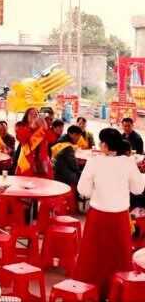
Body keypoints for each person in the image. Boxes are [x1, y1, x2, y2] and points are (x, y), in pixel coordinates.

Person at [74, 128, 145, 299]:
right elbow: (138, 189)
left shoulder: (94, 162)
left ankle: (90, 289)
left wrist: (96, 191)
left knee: (94, 256)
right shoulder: (127, 162)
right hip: (120, 216)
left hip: (98, 216)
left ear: (104, 145)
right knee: (119, 256)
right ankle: (118, 290)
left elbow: (82, 189)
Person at [15, 107, 53, 178]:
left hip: (43, 164)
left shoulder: (42, 128)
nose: (34, 115)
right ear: (26, 117)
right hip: (27, 164)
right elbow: (22, 138)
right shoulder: (21, 126)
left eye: (36, 114)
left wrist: (46, 127)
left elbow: (51, 139)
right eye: (31, 114)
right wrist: (32, 126)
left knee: (44, 187)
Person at [52, 125, 83, 197]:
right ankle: (78, 199)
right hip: (64, 175)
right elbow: (74, 166)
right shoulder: (67, 147)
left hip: (56, 172)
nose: (78, 139)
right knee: (83, 177)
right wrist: (80, 171)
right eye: (77, 136)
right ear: (71, 134)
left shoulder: (61, 140)